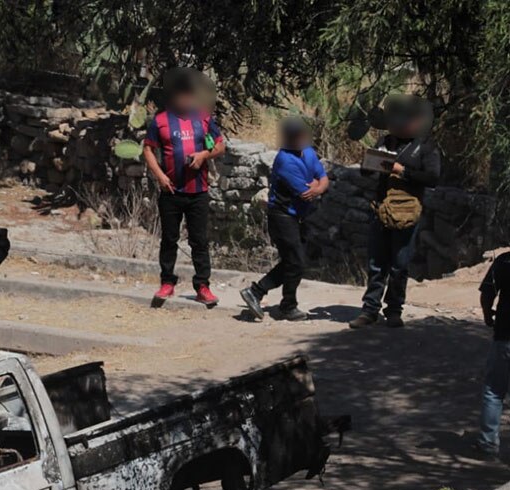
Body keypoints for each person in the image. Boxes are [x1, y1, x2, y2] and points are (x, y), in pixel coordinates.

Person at [349, 96, 441, 329]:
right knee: (376, 263)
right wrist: (370, 163)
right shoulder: (385, 141)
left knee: (400, 264)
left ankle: (394, 311)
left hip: (407, 212)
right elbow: (366, 174)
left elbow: (432, 178)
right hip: (380, 209)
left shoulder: (426, 146)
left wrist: (402, 171)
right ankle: (369, 310)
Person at [143, 69, 226, 308]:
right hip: (171, 192)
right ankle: (167, 282)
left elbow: (220, 146)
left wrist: (203, 155)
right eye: (180, 96)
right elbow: (147, 148)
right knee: (169, 239)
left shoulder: (203, 119)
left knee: (199, 241)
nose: (185, 101)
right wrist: (159, 176)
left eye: (188, 96)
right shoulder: (160, 121)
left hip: (198, 191)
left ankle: (202, 286)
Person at [240, 117, 329, 321]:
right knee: (295, 261)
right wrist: (318, 186)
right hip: (281, 216)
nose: (299, 139)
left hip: (299, 216)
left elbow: (323, 180)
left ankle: (258, 292)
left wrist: (319, 185)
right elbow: (304, 192)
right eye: (294, 136)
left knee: (295, 261)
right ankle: (286, 305)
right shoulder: (285, 160)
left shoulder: (308, 152)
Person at [476, 252, 510, 461]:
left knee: (494, 392)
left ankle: (488, 444)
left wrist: (488, 315)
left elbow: (487, 292)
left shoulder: (504, 261)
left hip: (505, 336)